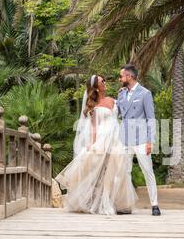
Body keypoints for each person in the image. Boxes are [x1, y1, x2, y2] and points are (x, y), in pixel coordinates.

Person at [55, 74, 138, 215]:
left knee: (117, 170)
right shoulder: (93, 106)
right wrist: (92, 144)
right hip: (103, 139)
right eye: (102, 81)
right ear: (96, 88)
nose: (105, 82)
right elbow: (93, 128)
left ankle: (117, 202)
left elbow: (125, 113)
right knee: (102, 170)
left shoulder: (112, 100)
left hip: (116, 138)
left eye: (104, 80)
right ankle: (99, 201)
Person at [117, 64, 161, 216]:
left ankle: (155, 205)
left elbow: (150, 118)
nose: (120, 79)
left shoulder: (145, 93)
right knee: (125, 173)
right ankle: (126, 205)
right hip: (125, 139)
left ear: (129, 76)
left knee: (148, 171)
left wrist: (151, 141)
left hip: (142, 139)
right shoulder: (121, 94)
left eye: (121, 76)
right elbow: (119, 114)